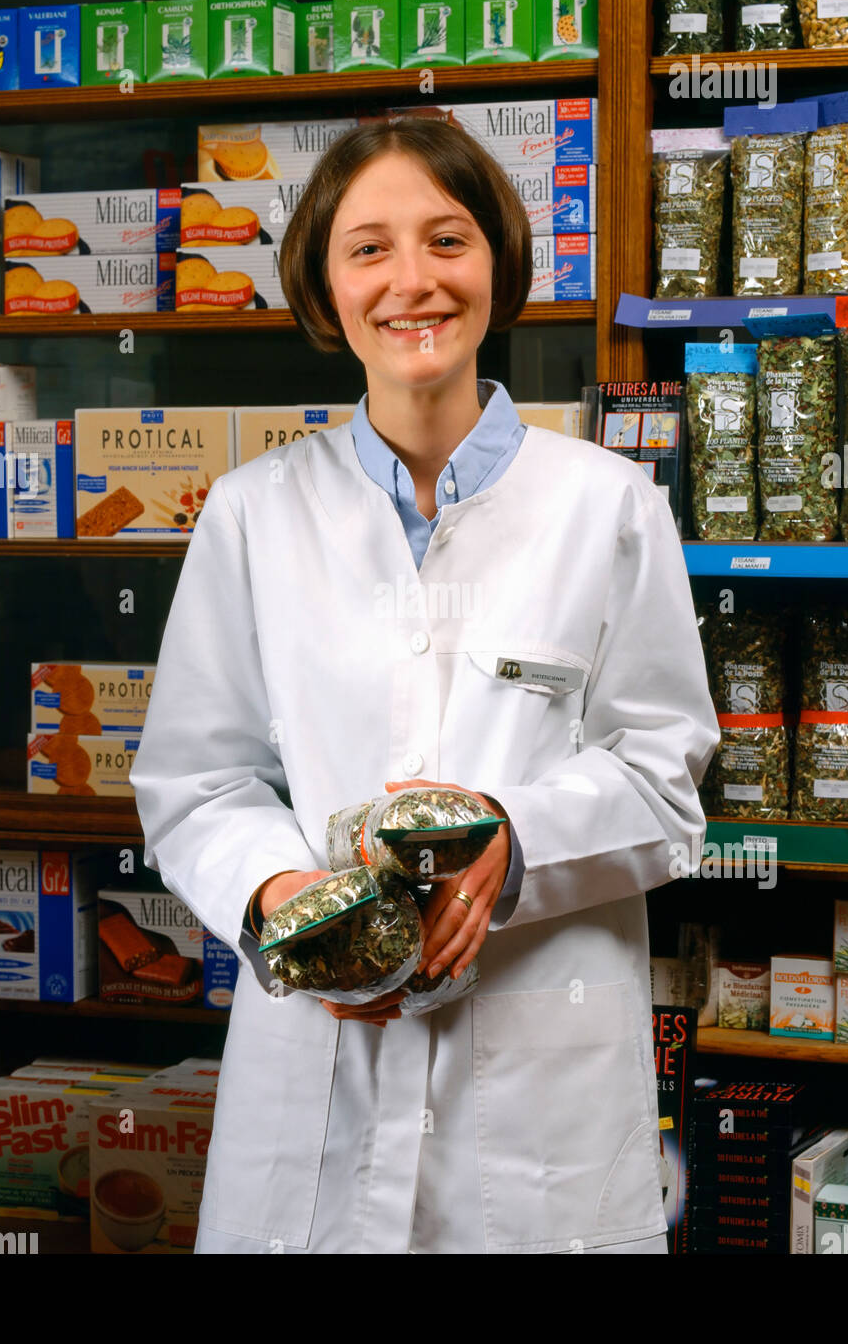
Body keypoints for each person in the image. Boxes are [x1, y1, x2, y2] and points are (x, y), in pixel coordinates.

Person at [131, 116, 719, 1254]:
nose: (412, 281)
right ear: (323, 285)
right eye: (368, 249)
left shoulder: (607, 508)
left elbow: (661, 781)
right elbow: (198, 783)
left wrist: (515, 840)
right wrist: (284, 902)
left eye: (446, 240)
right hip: (317, 1063)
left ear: (496, 264)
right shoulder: (252, 516)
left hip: (539, 1090)